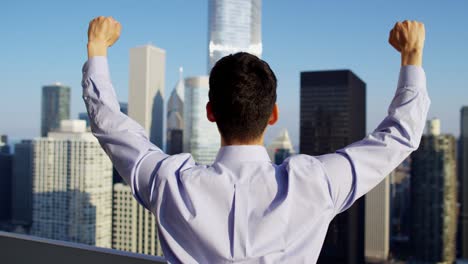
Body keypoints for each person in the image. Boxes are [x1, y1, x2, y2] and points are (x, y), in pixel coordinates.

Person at [83, 17, 428, 263]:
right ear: (273, 114)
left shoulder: (169, 184)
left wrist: (97, 50)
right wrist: (411, 57)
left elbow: (112, 127)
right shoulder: (314, 183)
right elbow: (398, 136)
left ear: (210, 113)